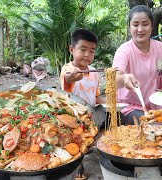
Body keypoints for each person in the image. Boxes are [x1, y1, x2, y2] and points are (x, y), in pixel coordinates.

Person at [113, 5, 162, 125]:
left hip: (154, 106)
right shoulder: (124, 50)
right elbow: (114, 81)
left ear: (152, 26)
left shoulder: (160, 48)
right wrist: (124, 79)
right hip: (129, 107)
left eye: (145, 24)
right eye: (135, 25)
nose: (140, 29)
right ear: (130, 27)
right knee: (150, 125)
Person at [59, 28, 105, 180]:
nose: (87, 55)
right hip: (72, 115)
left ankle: (93, 151)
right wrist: (72, 77)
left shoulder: (93, 72)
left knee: (90, 137)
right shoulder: (68, 68)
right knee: (76, 142)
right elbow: (67, 79)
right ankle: (78, 166)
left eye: (92, 51)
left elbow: (96, 97)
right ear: (72, 49)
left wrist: (110, 103)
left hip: (90, 114)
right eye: (83, 49)